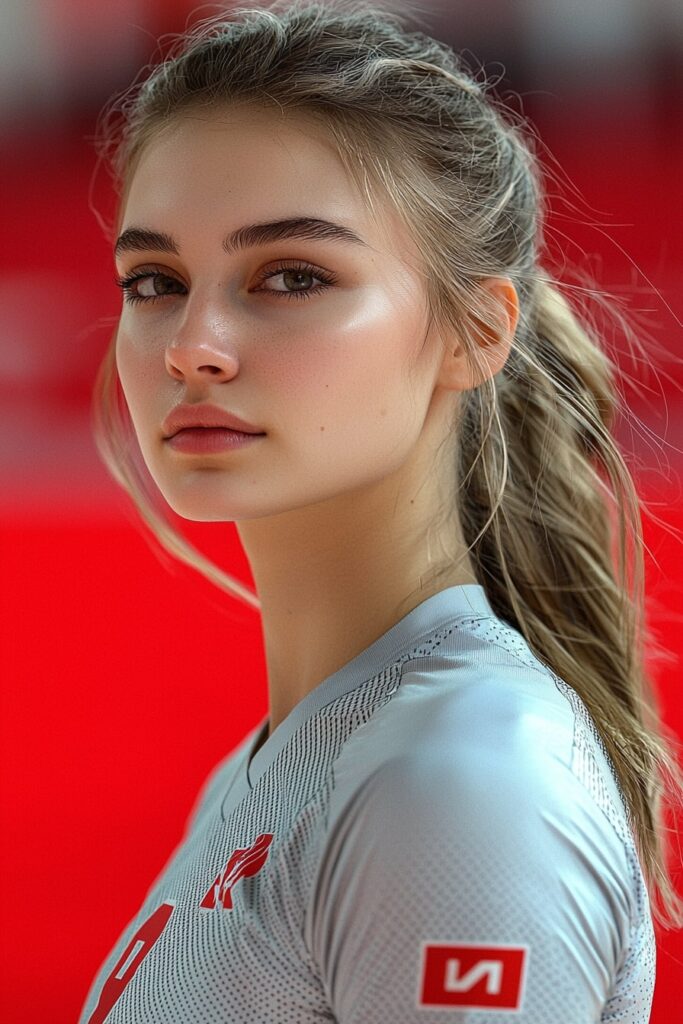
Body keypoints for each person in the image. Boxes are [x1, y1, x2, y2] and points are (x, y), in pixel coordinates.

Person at [79, 2, 683, 1020]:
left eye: (292, 275)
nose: (193, 343)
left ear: (474, 331)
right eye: (155, 280)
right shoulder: (290, 760)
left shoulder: (459, 779)